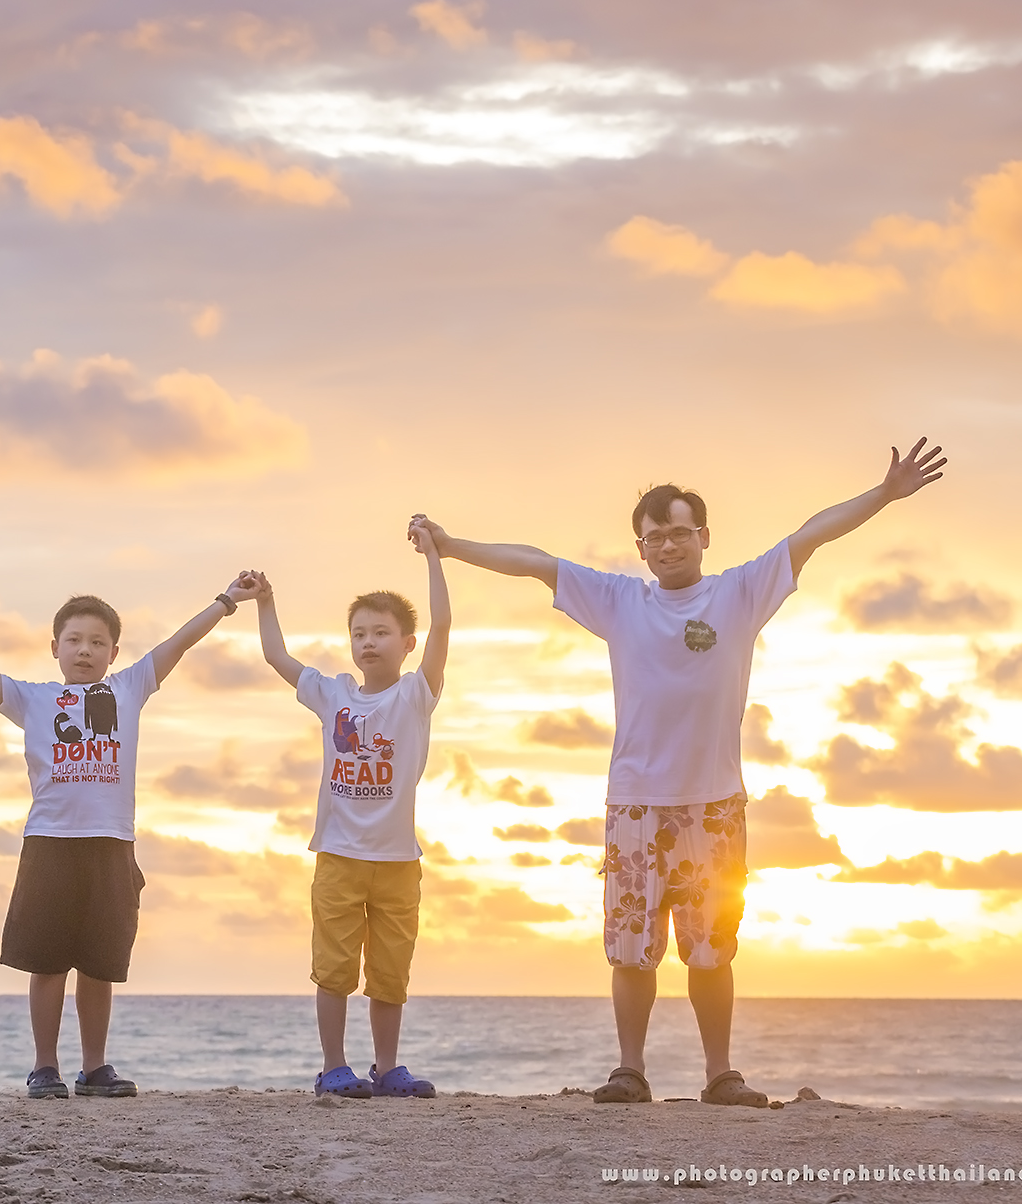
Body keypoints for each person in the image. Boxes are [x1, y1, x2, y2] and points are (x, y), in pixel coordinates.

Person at [424, 439, 947, 1107]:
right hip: (637, 802)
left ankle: (719, 1074)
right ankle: (630, 1069)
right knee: (631, 950)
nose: (667, 545)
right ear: (639, 547)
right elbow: (533, 563)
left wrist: (883, 494)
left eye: (678, 532)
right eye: (654, 537)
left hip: (715, 805)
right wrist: (450, 544)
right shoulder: (617, 600)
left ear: (702, 536)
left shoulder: (740, 591)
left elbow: (811, 534)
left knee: (712, 949)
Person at [0, 577, 262, 1098]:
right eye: (74, 640)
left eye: (97, 642)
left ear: (115, 652)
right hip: (49, 843)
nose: (85, 650)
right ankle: (44, 1067)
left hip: (111, 844)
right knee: (46, 961)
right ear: (55, 649)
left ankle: (94, 1068)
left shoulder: (129, 687)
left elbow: (181, 640)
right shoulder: (31, 699)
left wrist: (227, 600)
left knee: (100, 965)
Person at [251, 516, 451, 1099]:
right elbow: (274, 655)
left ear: (405, 644)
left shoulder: (416, 694)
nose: (368, 641)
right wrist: (266, 599)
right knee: (335, 968)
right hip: (338, 855)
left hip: (397, 861)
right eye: (359, 632)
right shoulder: (332, 692)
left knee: (391, 972)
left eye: (382, 632)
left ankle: (387, 1068)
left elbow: (442, 624)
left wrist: (434, 555)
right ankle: (333, 1066)